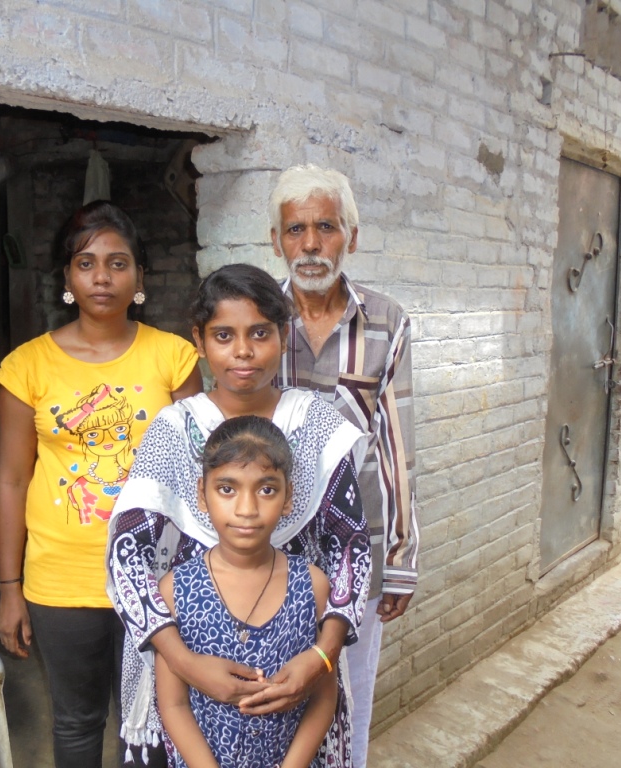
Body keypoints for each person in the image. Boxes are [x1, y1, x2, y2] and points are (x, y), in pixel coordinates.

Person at [108, 263, 369, 767]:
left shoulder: (314, 421)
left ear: (283, 335)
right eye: (224, 336)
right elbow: (126, 555)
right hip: (187, 657)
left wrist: (321, 657)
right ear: (200, 343)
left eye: (260, 333)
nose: (243, 352)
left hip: (300, 653)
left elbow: (350, 546)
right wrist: (183, 662)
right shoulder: (175, 429)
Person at [0, 200, 202, 768]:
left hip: (160, 574)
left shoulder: (175, 358)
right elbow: (11, 481)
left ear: (139, 277)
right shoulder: (25, 367)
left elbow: (197, 477)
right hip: (61, 580)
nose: (102, 277)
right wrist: (9, 588)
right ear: (66, 278)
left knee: (158, 716)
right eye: (86, 263)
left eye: (117, 262)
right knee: (78, 722)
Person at [269, 164, 419, 765]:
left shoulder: (385, 321)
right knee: (275, 696)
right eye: (296, 229)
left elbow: (398, 445)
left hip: (358, 547)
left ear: (351, 237)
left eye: (325, 227)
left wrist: (403, 558)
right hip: (270, 547)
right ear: (277, 241)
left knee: (349, 699)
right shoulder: (256, 318)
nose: (310, 244)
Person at [156, 415, 337, 768]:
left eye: (266, 489)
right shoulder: (176, 588)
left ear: (288, 498)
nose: (246, 509)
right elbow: (174, 704)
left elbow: (323, 699)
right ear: (202, 495)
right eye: (227, 488)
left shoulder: (313, 585)